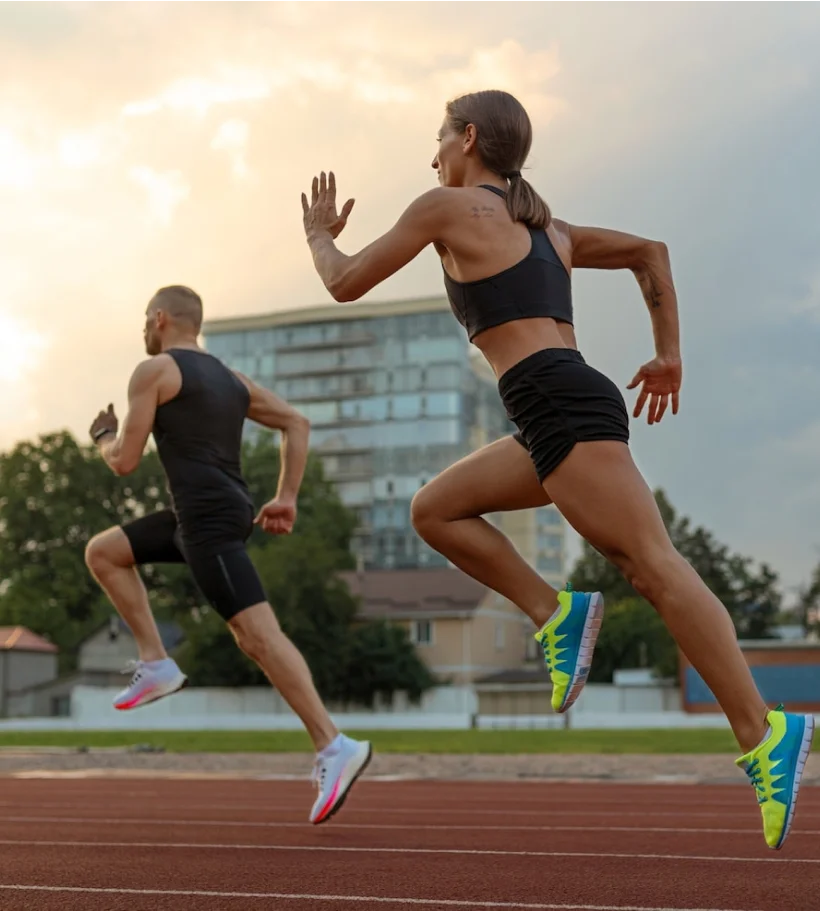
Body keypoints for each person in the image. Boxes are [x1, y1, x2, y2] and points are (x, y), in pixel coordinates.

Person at [300, 89, 814, 850]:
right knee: (435, 509)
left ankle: (764, 733)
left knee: (654, 566)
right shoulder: (552, 230)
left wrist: (316, 235)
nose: (432, 155)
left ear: (469, 138)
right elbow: (652, 253)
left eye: (439, 140)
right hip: (553, 407)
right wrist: (668, 351)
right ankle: (555, 613)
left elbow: (342, 281)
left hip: (556, 401)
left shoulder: (446, 207)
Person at [84, 284, 371, 824]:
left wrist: (102, 436)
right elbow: (296, 422)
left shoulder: (154, 372)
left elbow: (123, 461)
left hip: (208, 521)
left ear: (162, 318)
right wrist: (285, 497)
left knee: (258, 637)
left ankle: (335, 746)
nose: (143, 329)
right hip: (202, 515)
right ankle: (156, 662)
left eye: (146, 319)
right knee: (104, 552)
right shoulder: (230, 378)